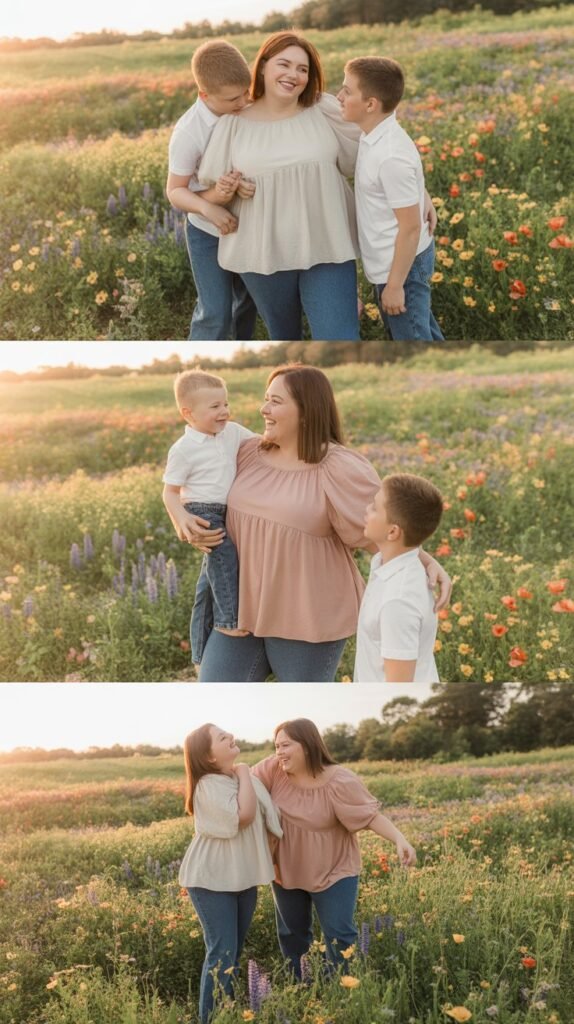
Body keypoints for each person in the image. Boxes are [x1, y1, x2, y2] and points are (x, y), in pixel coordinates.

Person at [186, 364, 451, 681]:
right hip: (239, 613)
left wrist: (423, 559)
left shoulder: (339, 467)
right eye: (266, 399)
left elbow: (386, 527)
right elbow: (197, 492)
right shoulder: (244, 452)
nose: (263, 409)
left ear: (306, 412)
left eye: (276, 401)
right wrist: (181, 519)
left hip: (306, 617)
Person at [197, 32, 364, 341]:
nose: (294, 75)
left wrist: (416, 190)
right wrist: (227, 190)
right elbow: (207, 195)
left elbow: (374, 153)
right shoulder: (233, 124)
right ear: (262, 67)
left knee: (340, 337)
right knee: (285, 338)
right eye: (284, 64)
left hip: (328, 245)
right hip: (261, 253)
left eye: (303, 69)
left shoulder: (323, 109)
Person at [251, 718, 416, 978]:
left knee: (340, 935)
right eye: (276, 746)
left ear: (306, 745)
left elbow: (370, 817)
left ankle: (342, 990)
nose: (278, 752)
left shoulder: (340, 780)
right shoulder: (273, 770)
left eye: (285, 745)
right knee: (292, 935)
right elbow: (242, 787)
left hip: (335, 871)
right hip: (286, 871)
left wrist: (399, 838)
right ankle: (303, 986)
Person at [179, 723, 282, 1023]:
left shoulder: (236, 778)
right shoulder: (208, 784)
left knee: (232, 954)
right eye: (222, 738)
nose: (231, 736)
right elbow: (245, 816)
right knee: (221, 953)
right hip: (212, 881)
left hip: (242, 878)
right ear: (209, 757)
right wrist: (243, 771)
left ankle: (228, 1013)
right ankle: (209, 1019)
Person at [338, 56, 444, 341]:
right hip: (392, 261)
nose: (339, 96)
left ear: (370, 104)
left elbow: (409, 228)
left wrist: (395, 285)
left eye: (347, 91)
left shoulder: (390, 155)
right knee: (422, 331)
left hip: (402, 267)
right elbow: (400, 182)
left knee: (411, 339)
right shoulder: (375, 132)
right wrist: (420, 193)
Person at [162, 369, 255, 665]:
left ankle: (200, 655)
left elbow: (263, 444)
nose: (224, 411)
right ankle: (229, 620)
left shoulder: (234, 432)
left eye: (225, 404)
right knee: (224, 556)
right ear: (188, 413)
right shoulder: (183, 449)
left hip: (227, 511)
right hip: (201, 510)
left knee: (206, 583)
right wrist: (182, 520)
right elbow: (170, 492)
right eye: (215, 407)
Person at [166, 39, 257, 340]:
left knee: (248, 303)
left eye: (246, 92)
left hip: (249, 226)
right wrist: (209, 207)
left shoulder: (246, 107)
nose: (243, 102)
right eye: (233, 99)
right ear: (204, 95)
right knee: (214, 312)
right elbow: (175, 190)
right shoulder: (189, 132)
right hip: (206, 231)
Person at [354, 473, 444, 683]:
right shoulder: (388, 564)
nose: (367, 509)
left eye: (375, 507)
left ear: (393, 532)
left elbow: (398, 686)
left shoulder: (398, 600)